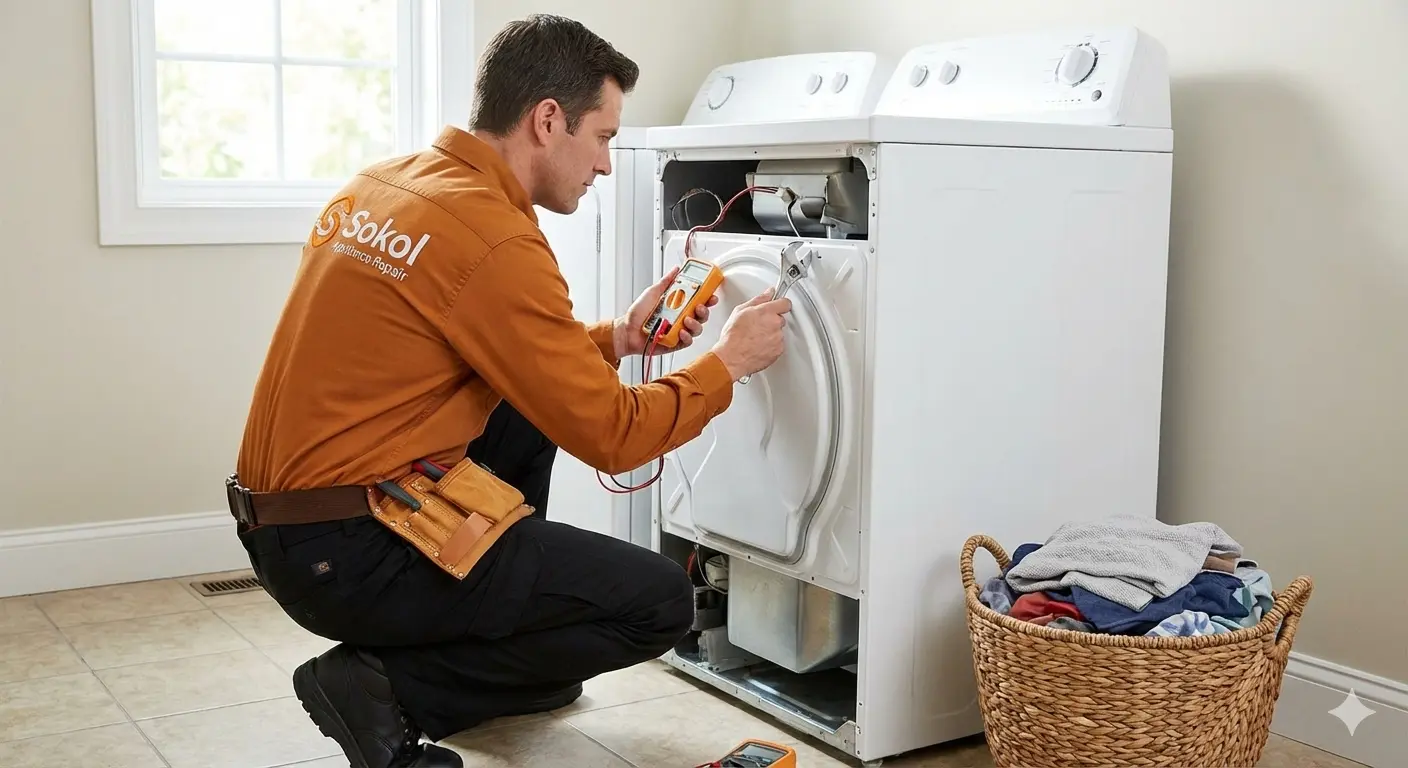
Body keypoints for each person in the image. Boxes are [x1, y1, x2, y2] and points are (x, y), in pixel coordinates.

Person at [227, 14, 792, 768]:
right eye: (603, 138)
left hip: (291, 524)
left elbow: (469, 352)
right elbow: (616, 436)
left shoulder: (389, 185)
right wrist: (727, 363)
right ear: (547, 120)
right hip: (348, 548)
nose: (606, 166)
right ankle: (382, 686)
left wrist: (616, 338)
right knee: (657, 602)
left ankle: (515, 653)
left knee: (526, 414)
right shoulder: (494, 238)